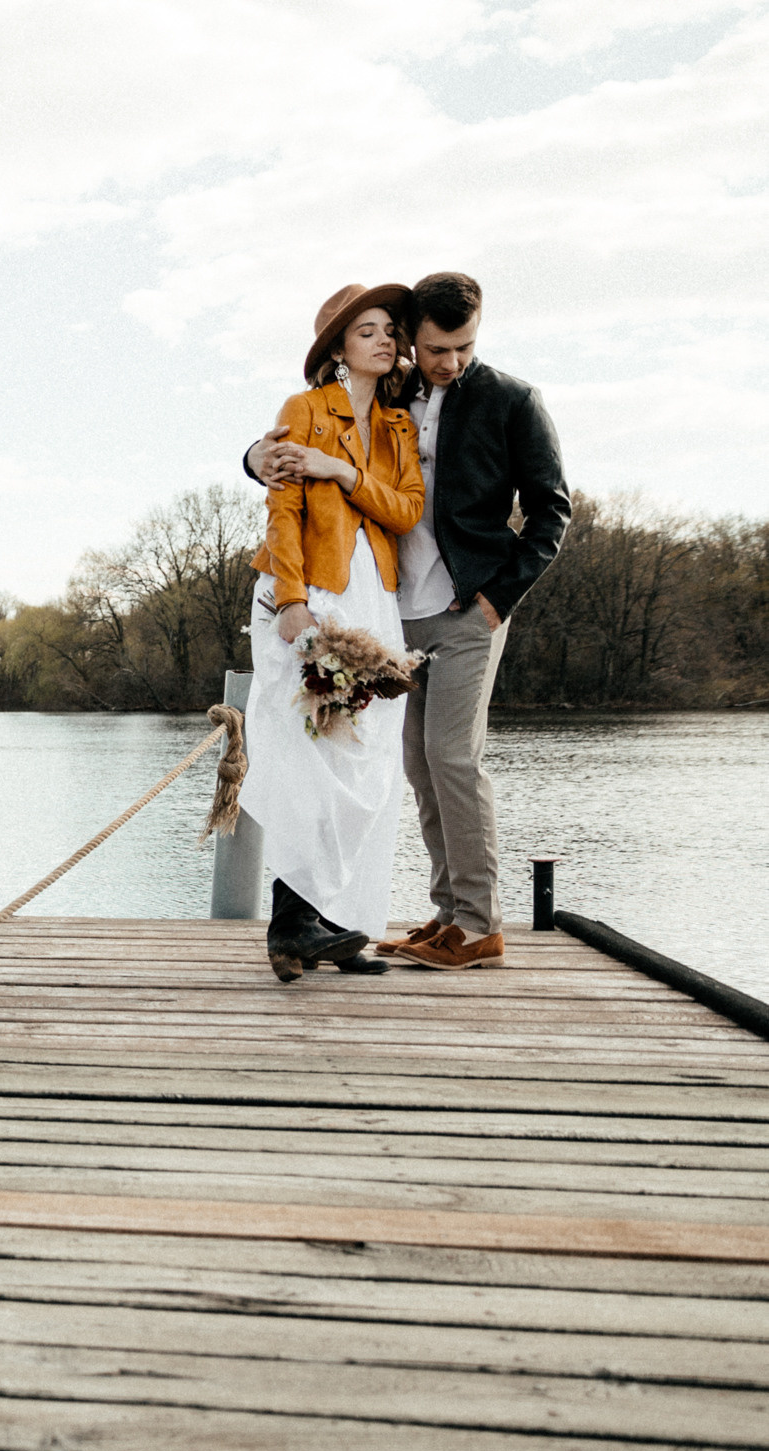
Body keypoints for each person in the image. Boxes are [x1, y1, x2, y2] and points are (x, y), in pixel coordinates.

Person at [248, 273, 571, 971]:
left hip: (466, 610)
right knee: (413, 767)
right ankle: (444, 914)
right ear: (412, 343)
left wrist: (497, 599)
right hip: (389, 616)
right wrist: (255, 458)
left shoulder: (511, 400)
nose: (449, 362)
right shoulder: (398, 393)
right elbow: (302, 435)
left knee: (451, 759)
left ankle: (477, 924)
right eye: (434, 348)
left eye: (464, 347)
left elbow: (552, 510)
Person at [241, 283, 424, 982]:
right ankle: (293, 923)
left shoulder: (399, 426)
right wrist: (291, 601)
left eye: (389, 331)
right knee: (308, 753)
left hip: (375, 597)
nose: (384, 340)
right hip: (311, 590)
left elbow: (405, 511)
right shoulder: (304, 410)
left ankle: (330, 926)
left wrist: (341, 470)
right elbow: (282, 509)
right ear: (339, 347)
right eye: (367, 330)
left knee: (366, 762)